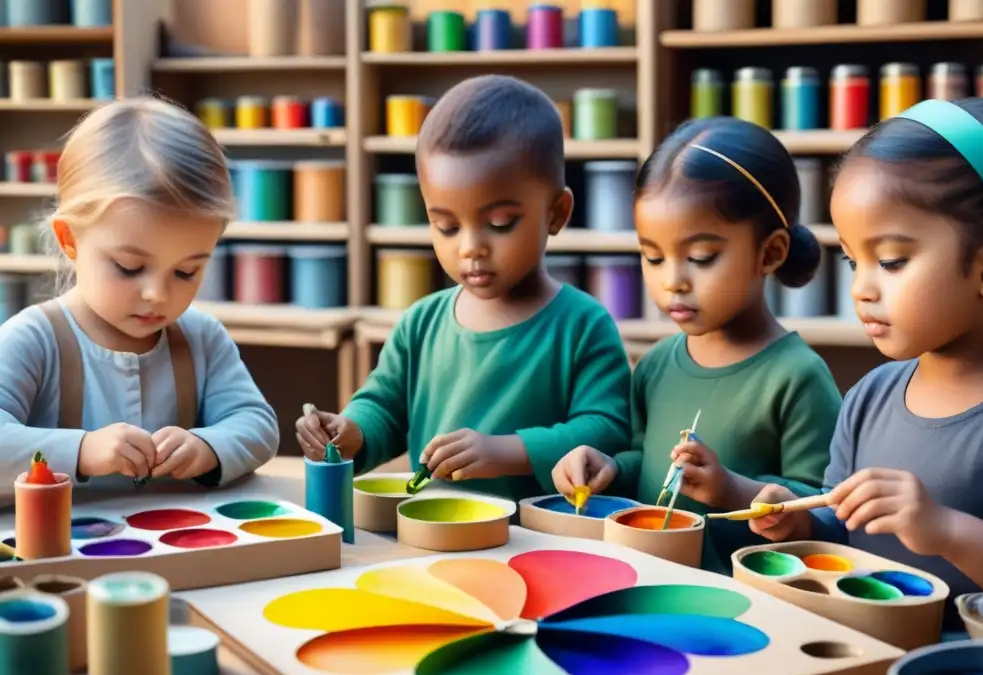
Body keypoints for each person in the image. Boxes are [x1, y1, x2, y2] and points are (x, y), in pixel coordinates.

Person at [750, 98, 983, 621]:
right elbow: (843, 525)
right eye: (854, 260)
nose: (861, 289)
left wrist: (944, 530)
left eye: (892, 261)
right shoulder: (870, 396)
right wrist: (800, 523)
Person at [295, 75, 631, 500]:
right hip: (435, 535)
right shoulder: (421, 322)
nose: (471, 248)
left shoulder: (584, 325)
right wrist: (350, 432)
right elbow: (384, 408)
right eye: (447, 226)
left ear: (556, 213)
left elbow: (608, 430)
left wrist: (506, 452)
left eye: (500, 224)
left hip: (538, 539)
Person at [551, 117, 842, 572]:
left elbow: (823, 512)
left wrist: (731, 489)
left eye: (701, 258)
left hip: (748, 606)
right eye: (652, 256)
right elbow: (650, 469)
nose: (673, 282)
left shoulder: (796, 377)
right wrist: (609, 469)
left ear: (770, 253)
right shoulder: (654, 366)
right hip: (647, 583)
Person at [0, 97, 280, 504]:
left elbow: (257, 424)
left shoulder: (202, 338)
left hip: (178, 548)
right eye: (129, 267)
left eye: (186, 271)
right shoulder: (34, 339)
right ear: (70, 240)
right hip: (63, 557)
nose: (158, 294)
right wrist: (82, 451)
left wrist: (208, 447)